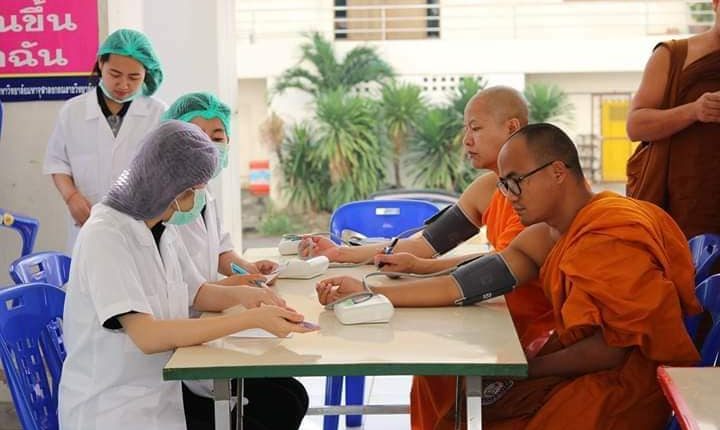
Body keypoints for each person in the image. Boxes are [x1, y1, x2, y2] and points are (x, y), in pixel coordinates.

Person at [317, 123, 702, 429]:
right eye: (503, 184)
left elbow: (613, 349)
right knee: (456, 397)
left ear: (557, 172)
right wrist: (368, 289)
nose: (509, 195)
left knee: (486, 410)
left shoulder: (611, 230)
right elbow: (462, 285)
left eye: (516, 181)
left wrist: (528, 370)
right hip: (579, 366)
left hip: (625, 384)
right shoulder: (542, 236)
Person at [305, 86, 555, 429]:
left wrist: (396, 279)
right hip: (485, 309)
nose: (466, 140)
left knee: (445, 369)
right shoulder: (487, 189)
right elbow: (426, 242)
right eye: (465, 129)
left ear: (512, 128)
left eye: (476, 128)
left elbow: (497, 267)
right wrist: (342, 253)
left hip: (523, 327)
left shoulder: (540, 197)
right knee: (430, 369)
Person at [58, 121, 315, 430]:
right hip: (116, 408)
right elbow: (147, 335)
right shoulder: (106, 235)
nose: (201, 199)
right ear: (173, 189)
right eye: (198, 190)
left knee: (285, 400)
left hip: (160, 392)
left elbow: (197, 292)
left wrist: (250, 296)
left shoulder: (160, 228)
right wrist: (250, 320)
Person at [162, 92, 308, 430]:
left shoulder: (202, 195)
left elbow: (220, 252)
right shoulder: (163, 211)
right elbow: (193, 294)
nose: (208, 147)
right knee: (277, 407)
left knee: (291, 396)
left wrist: (249, 273)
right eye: (196, 136)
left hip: (198, 328)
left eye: (217, 137)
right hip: (175, 355)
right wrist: (246, 299)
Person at [43, 29, 166, 252]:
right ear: (101, 63)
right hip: (87, 223)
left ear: (146, 73)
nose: (124, 85)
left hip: (141, 226)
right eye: (115, 74)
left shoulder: (158, 114)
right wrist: (71, 196)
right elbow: (57, 163)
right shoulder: (73, 111)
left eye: (134, 77)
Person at [626, 0, 720, 239]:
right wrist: (694, 111)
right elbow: (635, 126)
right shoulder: (675, 55)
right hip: (684, 204)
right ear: (715, 4)